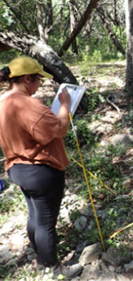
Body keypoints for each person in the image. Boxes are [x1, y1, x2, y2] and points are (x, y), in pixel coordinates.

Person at [0, 56, 82, 279]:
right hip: (40, 170)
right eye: (38, 81)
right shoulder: (28, 104)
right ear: (28, 78)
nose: (39, 87)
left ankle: (40, 255)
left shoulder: (3, 100)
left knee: (34, 215)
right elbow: (60, 129)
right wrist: (65, 105)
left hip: (17, 169)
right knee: (46, 222)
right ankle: (51, 268)